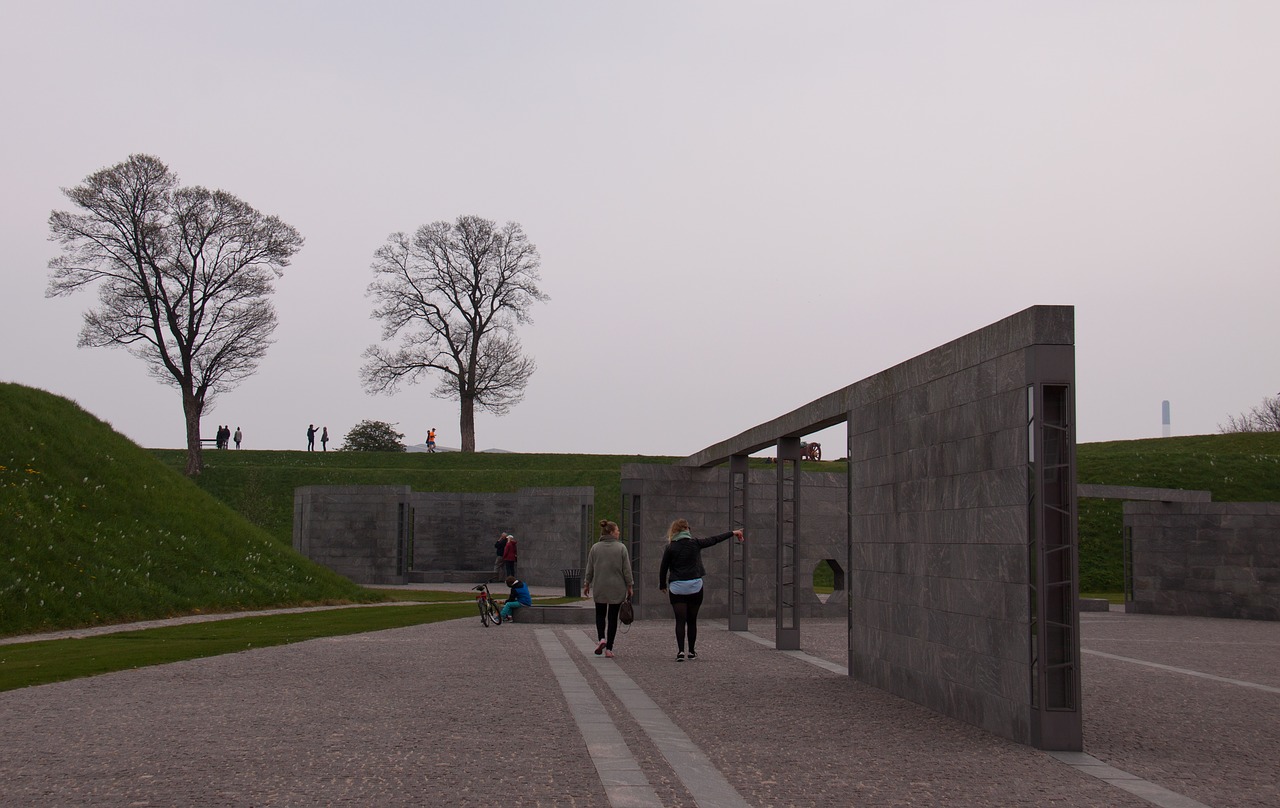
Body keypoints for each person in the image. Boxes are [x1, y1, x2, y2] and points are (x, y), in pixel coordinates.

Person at [658, 519, 745, 662]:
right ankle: (691, 651)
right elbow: (715, 539)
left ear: (674, 531)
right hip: (694, 585)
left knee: (680, 621)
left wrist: (662, 585)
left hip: (677, 587)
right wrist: (733, 533)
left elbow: (663, 568)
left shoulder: (670, 547)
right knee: (692, 620)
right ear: (686, 529)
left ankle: (680, 652)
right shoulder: (695, 543)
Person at [583, 519, 634, 659]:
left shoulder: (595, 548)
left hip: (600, 585)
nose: (618, 533)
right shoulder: (621, 548)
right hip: (617, 587)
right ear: (611, 532)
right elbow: (627, 570)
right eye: (617, 530)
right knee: (612, 618)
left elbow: (590, 568)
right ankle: (609, 648)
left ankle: (601, 639)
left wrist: (587, 583)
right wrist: (630, 586)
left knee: (600, 614)